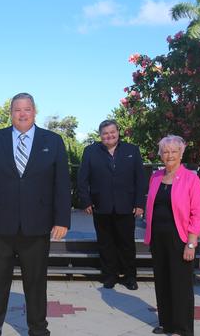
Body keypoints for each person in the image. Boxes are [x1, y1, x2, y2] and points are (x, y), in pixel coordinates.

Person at [0, 92, 71, 336]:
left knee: (36, 284)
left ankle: (38, 329)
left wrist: (62, 220)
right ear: (11, 113)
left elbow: (61, 184)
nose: (22, 114)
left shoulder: (53, 141)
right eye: (17, 109)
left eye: (27, 109)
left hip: (37, 227)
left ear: (35, 111)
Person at [144, 135, 200, 336]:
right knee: (162, 281)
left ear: (181, 154)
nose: (169, 155)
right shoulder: (155, 177)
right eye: (165, 151)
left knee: (180, 285)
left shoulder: (191, 178)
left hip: (179, 239)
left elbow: (197, 213)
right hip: (158, 238)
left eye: (174, 151)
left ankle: (183, 328)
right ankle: (166, 323)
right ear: (161, 155)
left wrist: (191, 243)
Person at [77, 119, 146, 290]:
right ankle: (110, 276)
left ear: (118, 132)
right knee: (105, 243)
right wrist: (86, 201)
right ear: (100, 135)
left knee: (127, 244)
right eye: (105, 133)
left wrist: (139, 203)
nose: (109, 136)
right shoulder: (90, 151)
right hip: (101, 206)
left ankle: (130, 276)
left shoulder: (132, 150)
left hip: (126, 206)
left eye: (112, 132)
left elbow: (141, 179)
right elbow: (82, 179)